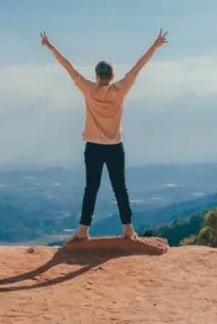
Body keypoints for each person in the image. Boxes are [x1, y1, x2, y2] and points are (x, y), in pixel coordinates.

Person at [40, 29, 168, 242]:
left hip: (93, 147)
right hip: (115, 146)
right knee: (120, 188)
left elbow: (68, 67)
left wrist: (51, 46)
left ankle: (83, 230)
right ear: (112, 77)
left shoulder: (88, 90)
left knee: (91, 188)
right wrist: (155, 45)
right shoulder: (120, 90)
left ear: (97, 76)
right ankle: (128, 229)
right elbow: (138, 68)